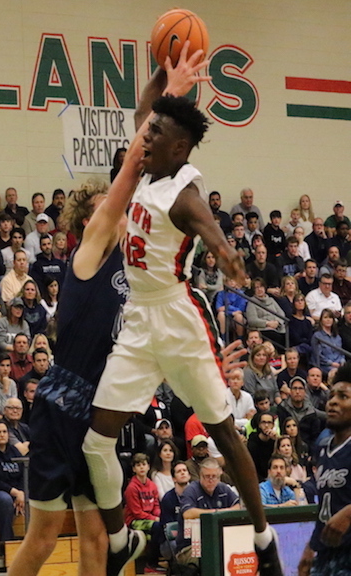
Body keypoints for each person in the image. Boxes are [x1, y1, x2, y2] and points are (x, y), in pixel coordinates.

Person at [11, 49, 214, 576]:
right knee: (45, 534)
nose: (126, 205)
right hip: (63, 403)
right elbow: (133, 163)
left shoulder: (140, 264)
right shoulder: (91, 248)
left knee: (99, 538)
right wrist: (166, 90)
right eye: (114, 204)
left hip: (102, 411)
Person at [81, 60, 282, 574]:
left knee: (222, 432)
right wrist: (161, 62)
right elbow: (145, 108)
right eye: (147, 132)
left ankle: (264, 539)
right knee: (96, 441)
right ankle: (122, 538)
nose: (144, 139)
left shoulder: (185, 195)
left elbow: (212, 232)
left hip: (178, 317)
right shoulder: (152, 162)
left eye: (156, 135)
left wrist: (230, 257)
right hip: (139, 319)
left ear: (179, 148)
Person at [297, 364, 351, 575]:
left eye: (343, 397)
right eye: (332, 396)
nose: (333, 401)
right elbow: (325, 509)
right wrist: (311, 547)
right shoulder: (322, 447)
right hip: (328, 553)